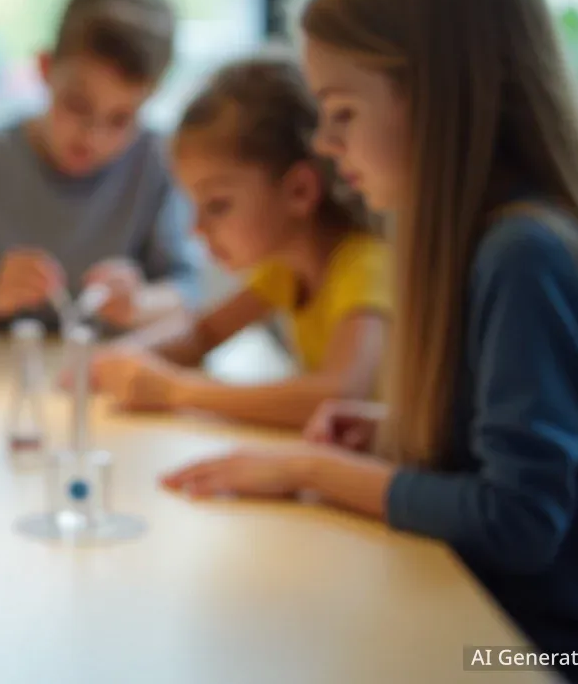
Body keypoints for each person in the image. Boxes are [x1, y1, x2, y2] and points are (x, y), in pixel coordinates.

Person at [162, 0, 578, 684]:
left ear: (440, 98)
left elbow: (519, 523)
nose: (323, 142)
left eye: (342, 112)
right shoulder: (491, 242)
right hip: (509, 624)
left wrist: (309, 472)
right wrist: (401, 431)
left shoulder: (526, 254)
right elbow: (518, 459)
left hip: (565, 654)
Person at [88, 54, 389, 429]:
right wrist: (116, 360)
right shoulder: (286, 270)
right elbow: (203, 333)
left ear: (299, 190)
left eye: (217, 205)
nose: (195, 229)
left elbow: (338, 395)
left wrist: (176, 391)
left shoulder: (366, 266)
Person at [0, 0, 204, 336]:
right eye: (77, 105)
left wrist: (142, 302)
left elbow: (187, 293)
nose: (93, 137)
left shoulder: (158, 161)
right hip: (6, 370)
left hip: (111, 371)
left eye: (120, 119)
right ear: (44, 68)